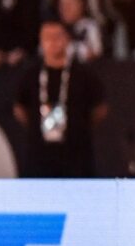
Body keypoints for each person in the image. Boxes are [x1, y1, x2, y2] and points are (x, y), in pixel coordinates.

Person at [13, 19, 108, 177]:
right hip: (40, 156)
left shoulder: (84, 74)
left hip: (76, 156)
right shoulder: (31, 75)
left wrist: (80, 126)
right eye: (47, 38)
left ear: (67, 39)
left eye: (57, 37)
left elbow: (100, 110)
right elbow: (19, 109)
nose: (52, 42)